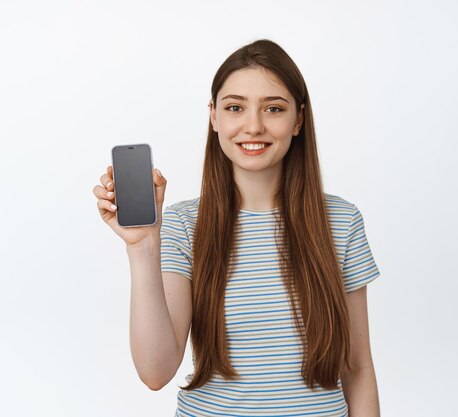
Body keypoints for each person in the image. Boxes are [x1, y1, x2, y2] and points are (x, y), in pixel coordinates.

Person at [93, 39, 382, 417]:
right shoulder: (183, 224)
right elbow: (155, 371)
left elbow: (357, 367)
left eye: (274, 108)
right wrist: (142, 245)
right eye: (235, 107)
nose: (254, 126)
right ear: (214, 117)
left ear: (298, 119)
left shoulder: (340, 221)